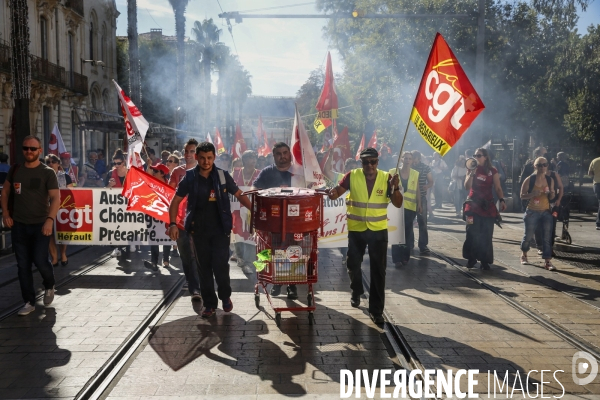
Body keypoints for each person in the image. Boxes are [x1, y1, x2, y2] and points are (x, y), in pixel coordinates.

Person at [168, 142, 251, 317]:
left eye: (210, 158)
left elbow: (239, 195)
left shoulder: (222, 176)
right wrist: (173, 224)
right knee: (203, 269)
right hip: (198, 232)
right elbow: (175, 201)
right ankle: (209, 304)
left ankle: (225, 297)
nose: (206, 162)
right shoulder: (189, 178)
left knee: (221, 266)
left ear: (214, 158)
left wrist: (255, 210)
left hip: (221, 231)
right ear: (197, 158)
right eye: (203, 158)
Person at [327, 148, 403, 324]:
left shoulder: (388, 178)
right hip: (357, 229)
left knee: (378, 271)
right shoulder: (351, 176)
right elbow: (336, 193)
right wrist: (332, 193)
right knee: (353, 263)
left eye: (373, 161)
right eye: (366, 161)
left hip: (378, 230)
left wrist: (396, 187)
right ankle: (356, 290)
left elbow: (398, 204)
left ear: (378, 162)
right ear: (360, 162)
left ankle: (376, 311)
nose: (369, 165)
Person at [1, 136, 60, 316]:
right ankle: (28, 301)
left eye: (33, 149)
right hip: (19, 224)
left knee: (41, 261)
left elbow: (56, 198)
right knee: (22, 265)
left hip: (41, 224)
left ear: (39, 151)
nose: (29, 152)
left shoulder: (47, 172)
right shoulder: (15, 170)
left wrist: (50, 220)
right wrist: (5, 213)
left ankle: (49, 285)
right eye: (26, 148)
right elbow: (5, 192)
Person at [253, 142, 298, 299]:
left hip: (294, 222)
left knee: (294, 252)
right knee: (275, 251)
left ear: (290, 154)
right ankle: (277, 282)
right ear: (274, 156)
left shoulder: (298, 172)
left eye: (285, 152)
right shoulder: (267, 172)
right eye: (279, 154)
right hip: (273, 222)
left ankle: (292, 285)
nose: (283, 156)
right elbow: (255, 189)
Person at [168, 138, 201, 301]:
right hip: (181, 221)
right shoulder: (177, 172)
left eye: (192, 151)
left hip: (199, 220)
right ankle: (192, 282)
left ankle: (197, 287)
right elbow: (169, 194)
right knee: (186, 256)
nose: (188, 154)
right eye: (186, 151)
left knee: (198, 255)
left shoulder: (205, 171)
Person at [463, 148, 506, 270]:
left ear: (485, 157)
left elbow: (498, 187)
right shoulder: (471, 168)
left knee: (486, 234)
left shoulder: (493, 171)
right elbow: (467, 186)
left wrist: (502, 200)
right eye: (475, 155)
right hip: (472, 205)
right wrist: (471, 173)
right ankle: (471, 258)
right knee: (471, 232)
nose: (476, 157)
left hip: (487, 206)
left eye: (479, 155)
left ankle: (484, 260)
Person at [520, 157, 556, 270]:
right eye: (539, 165)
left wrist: (551, 193)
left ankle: (547, 261)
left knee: (547, 237)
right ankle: (524, 255)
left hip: (545, 211)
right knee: (528, 236)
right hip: (532, 211)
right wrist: (533, 193)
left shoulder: (550, 180)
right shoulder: (530, 179)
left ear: (547, 166)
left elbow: (552, 197)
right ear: (535, 166)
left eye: (545, 165)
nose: (542, 167)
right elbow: (522, 195)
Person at [232, 150, 261, 274]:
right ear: (244, 160)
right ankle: (241, 258)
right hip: (237, 209)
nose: (253, 160)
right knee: (238, 235)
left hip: (252, 209)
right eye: (250, 157)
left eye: (254, 157)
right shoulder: (235, 173)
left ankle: (248, 262)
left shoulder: (260, 174)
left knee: (250, 235)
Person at [390, 151, 421, 267]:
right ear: (401, 159)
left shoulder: (415, 173)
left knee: (407, 233)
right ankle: (397, 259)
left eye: (410, 158)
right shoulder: (393, 172)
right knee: (396, 233)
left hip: (410, 208)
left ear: (412, 161)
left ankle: (405, 257)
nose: (407, 160)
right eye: (406, 158)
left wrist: (420, 204)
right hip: (396, 206)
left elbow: (417, 190)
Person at [46, 153, 73, 268]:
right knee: (49, 233)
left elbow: (72, 192)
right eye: (48, 162)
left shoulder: (65, 177)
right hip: (47, 209)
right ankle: (54, 257)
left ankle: (63, 253)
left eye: (53, 162)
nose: (51, 164)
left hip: (62, 209)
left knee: (63, 233)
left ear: (58, 164)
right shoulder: (43, 176)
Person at [146, 163, 172, 269]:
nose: (153, 172)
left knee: (167, 236)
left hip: (166, 215)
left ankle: (166, 259)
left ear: (162, 174)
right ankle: (154, 262)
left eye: (155, 171)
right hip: (153, 215)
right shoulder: (151, 184)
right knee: (154, 238)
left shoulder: (170, 185)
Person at [410, 151, 433, 253]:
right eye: (412, 158)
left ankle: (423, 245)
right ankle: (409, 244)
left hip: (422, 197)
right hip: (409, 198)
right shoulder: (408, 167)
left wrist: (427, 186)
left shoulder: (425, 167)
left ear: (419, 158)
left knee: (422, 222)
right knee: (409, 222)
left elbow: (431, 181)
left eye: (415, 158)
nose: (413, 160)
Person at [519, 147, 547, 211]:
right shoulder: (529, 166)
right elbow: (522, 180)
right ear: (537, 154)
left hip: (545, 204)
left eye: (545, 155)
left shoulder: (549, 166)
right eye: (542, 154)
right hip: (531, 203)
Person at [589, 156, 600, 230]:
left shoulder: (595, 160)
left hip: (597, 184)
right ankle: (598, 222)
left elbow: (590, 173)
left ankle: (598, 223)